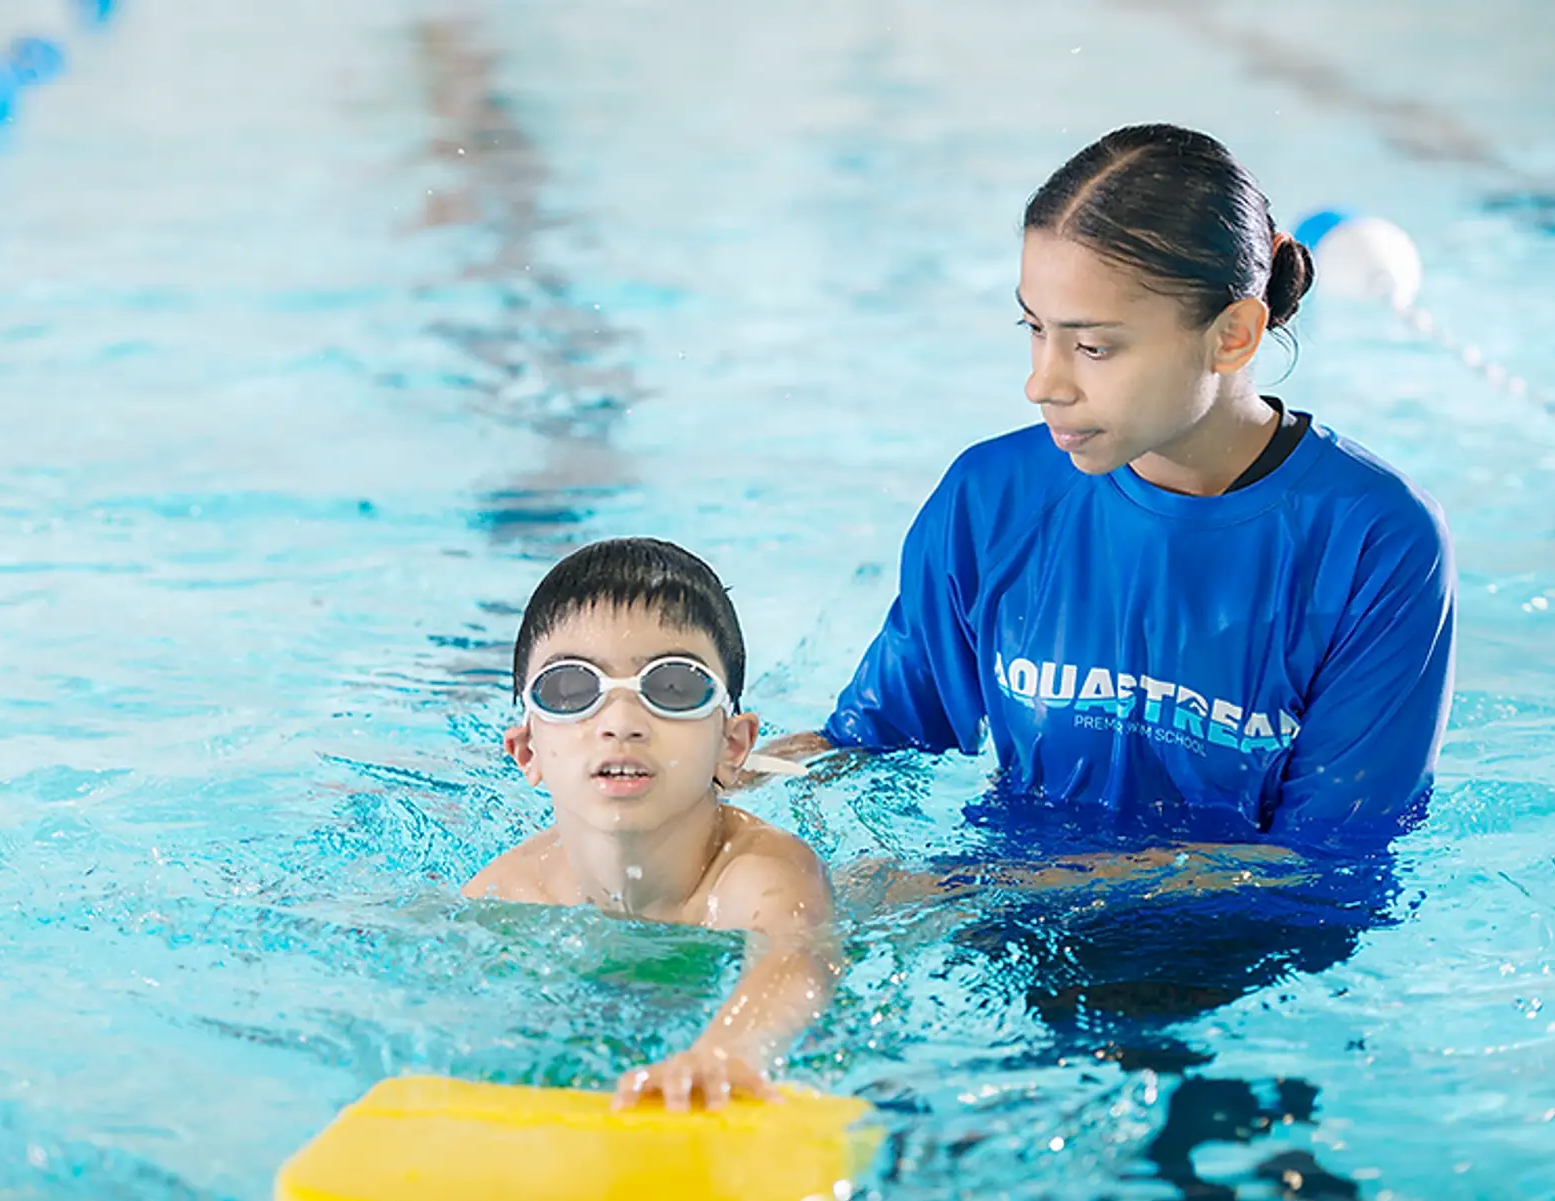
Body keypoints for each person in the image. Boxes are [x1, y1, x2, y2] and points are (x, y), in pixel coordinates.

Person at [763, 122, 1456, 850]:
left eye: (1093, 346)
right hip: (1001, 931)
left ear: (1233, 335)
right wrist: (703, 771)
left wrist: (979, 895)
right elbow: (875, 745)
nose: (1042, 383)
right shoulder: (993, 497)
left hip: (1234, 957)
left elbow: (1331, 866)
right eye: (1034, 328)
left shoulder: (1375, 539)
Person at [465, 537, 837, 1112]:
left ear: (731, 745)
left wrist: (729, 1052)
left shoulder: (759, 873)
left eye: (673, 687)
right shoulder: (508, 892)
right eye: (571, 689)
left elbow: (796, 957)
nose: (620, 722)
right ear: (527, 751)